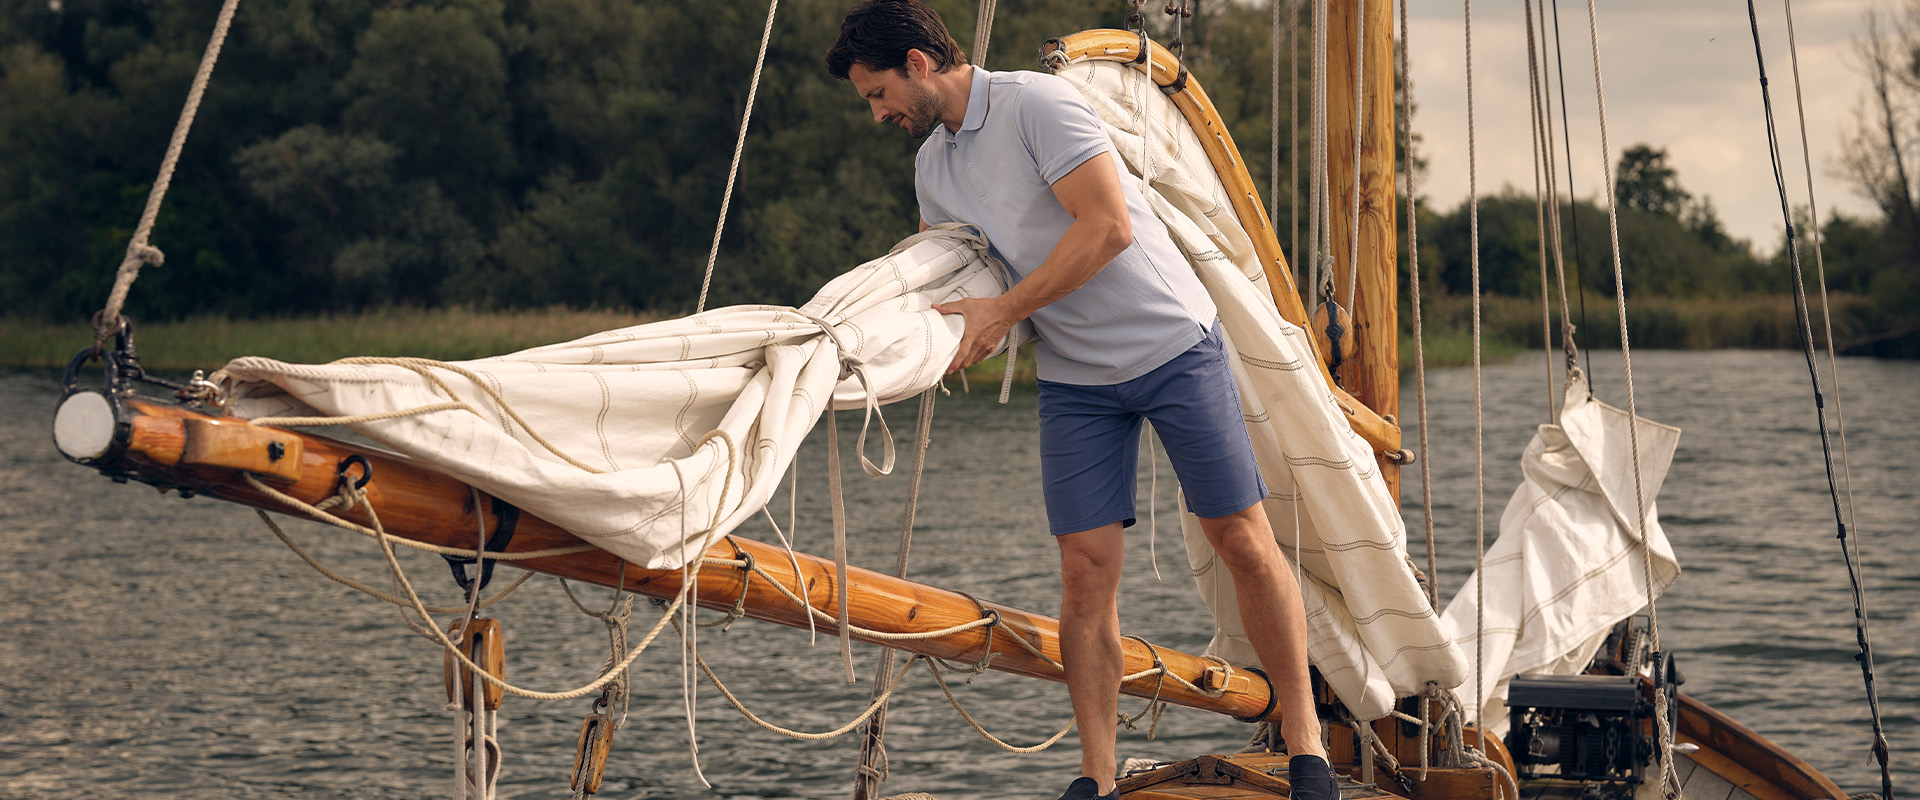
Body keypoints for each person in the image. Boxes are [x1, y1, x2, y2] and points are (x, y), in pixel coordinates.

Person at [826, 3, 1336, 799]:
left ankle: (1307, 746)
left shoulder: (1037, 104)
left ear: (919, 64)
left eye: (878, 93)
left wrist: (1003, 313)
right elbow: (945, 271)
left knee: (1241, 537)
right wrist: (895, 349)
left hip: (1172, 344)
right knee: (1084, 574)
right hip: (1075, 378)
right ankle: (1095, 778)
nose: (878, 113)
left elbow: (1107, 228)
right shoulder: (932, 167)